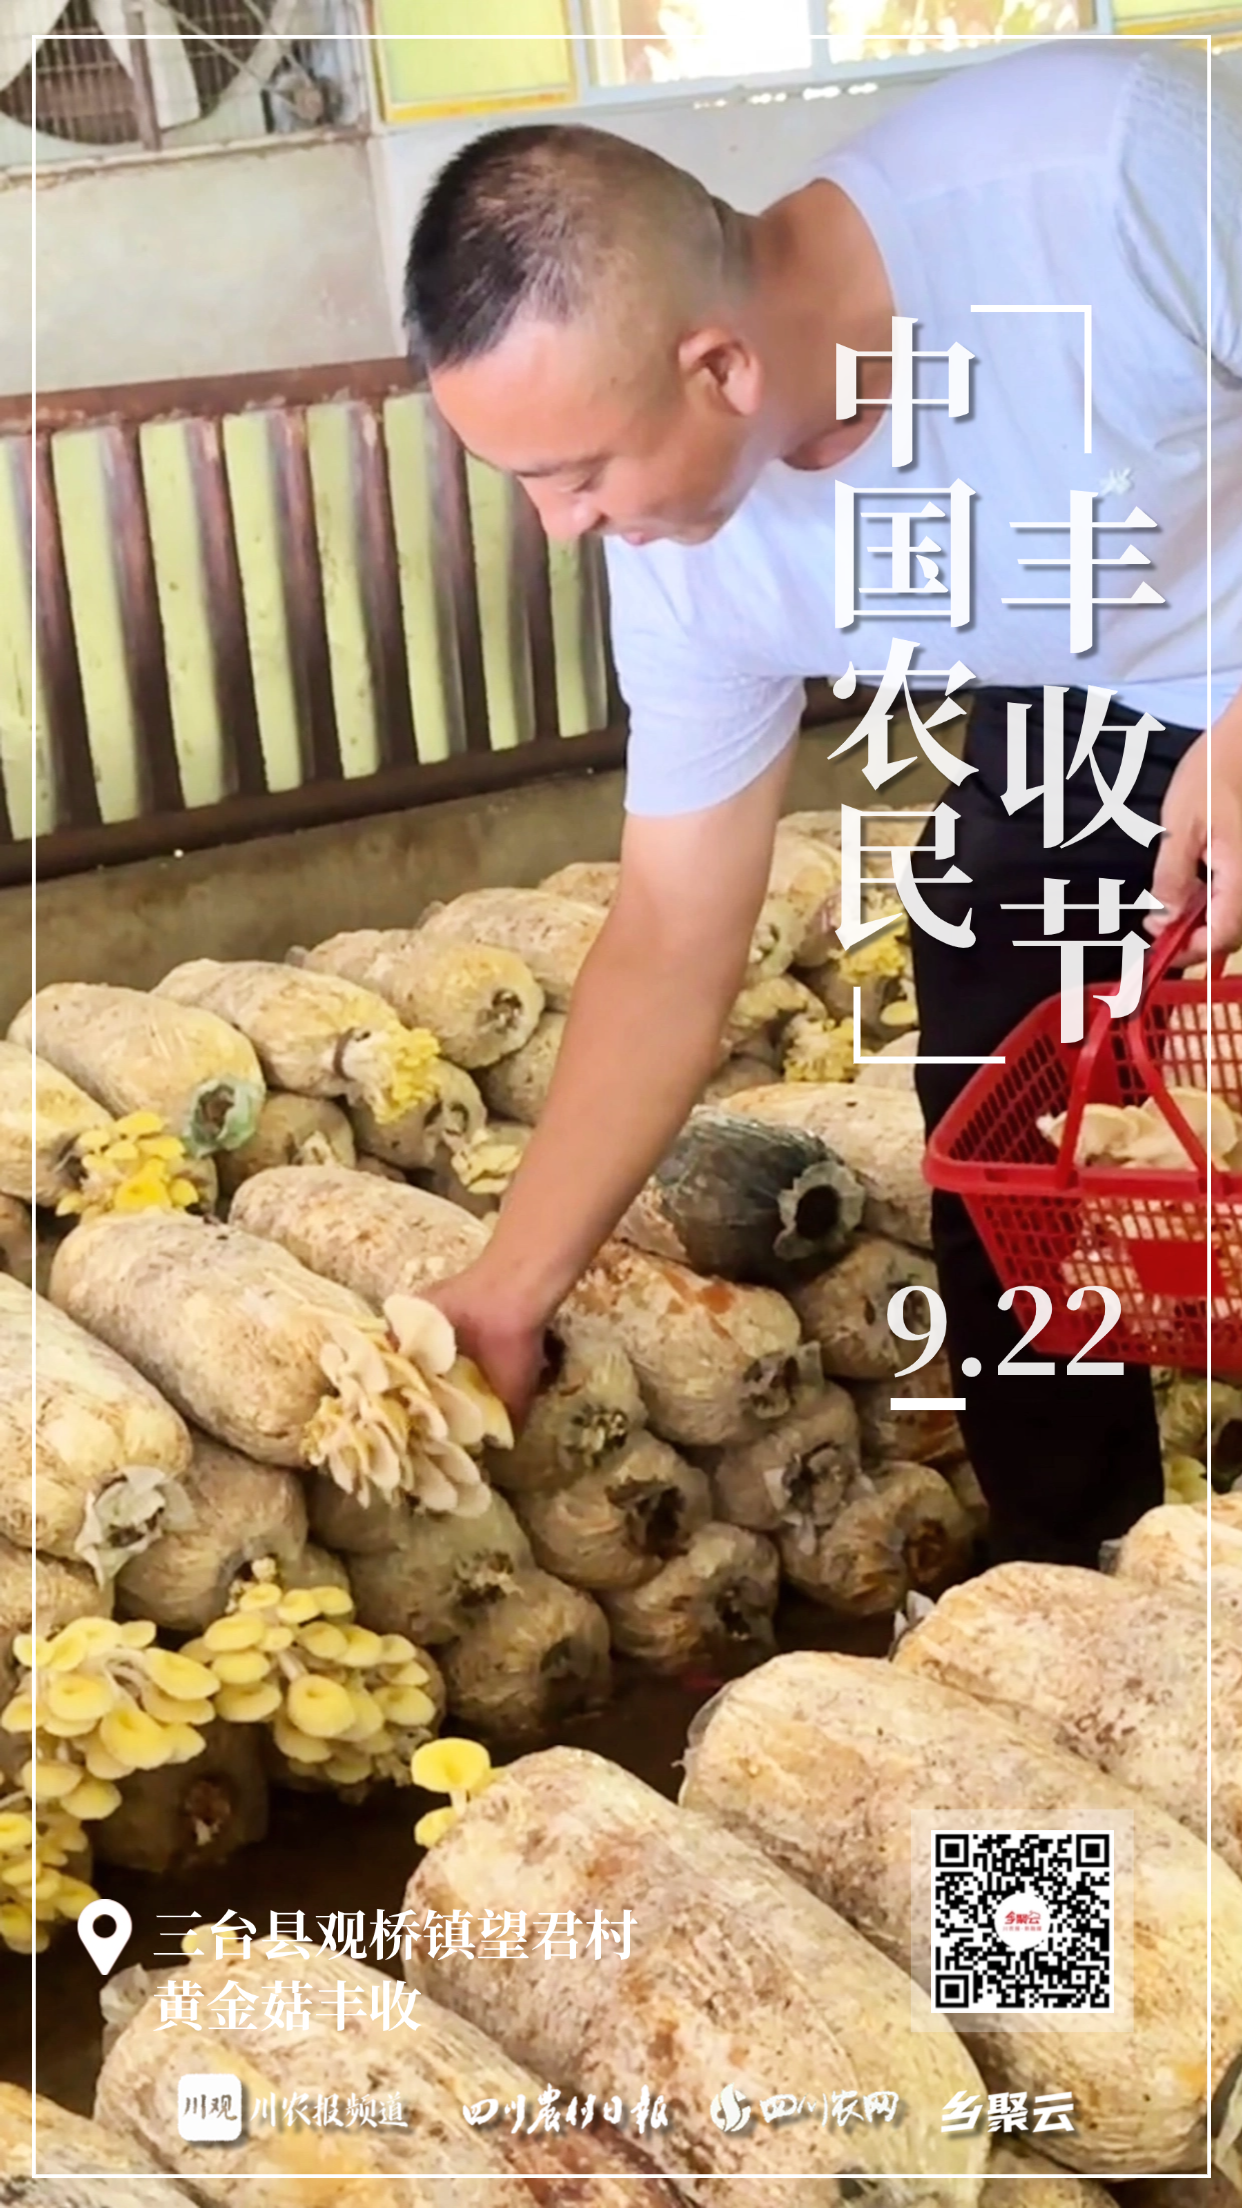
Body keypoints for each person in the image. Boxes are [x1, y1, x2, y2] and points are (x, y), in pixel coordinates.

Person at [402, 36, 1242, 1568]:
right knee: (993, 1087)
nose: (557, 527)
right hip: (1085, 700)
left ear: (718, 367)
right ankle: (1079, 1584)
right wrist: (508, 1289)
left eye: (574, 473)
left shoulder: (1109, 166)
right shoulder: (684, 566)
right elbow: (671, 929)